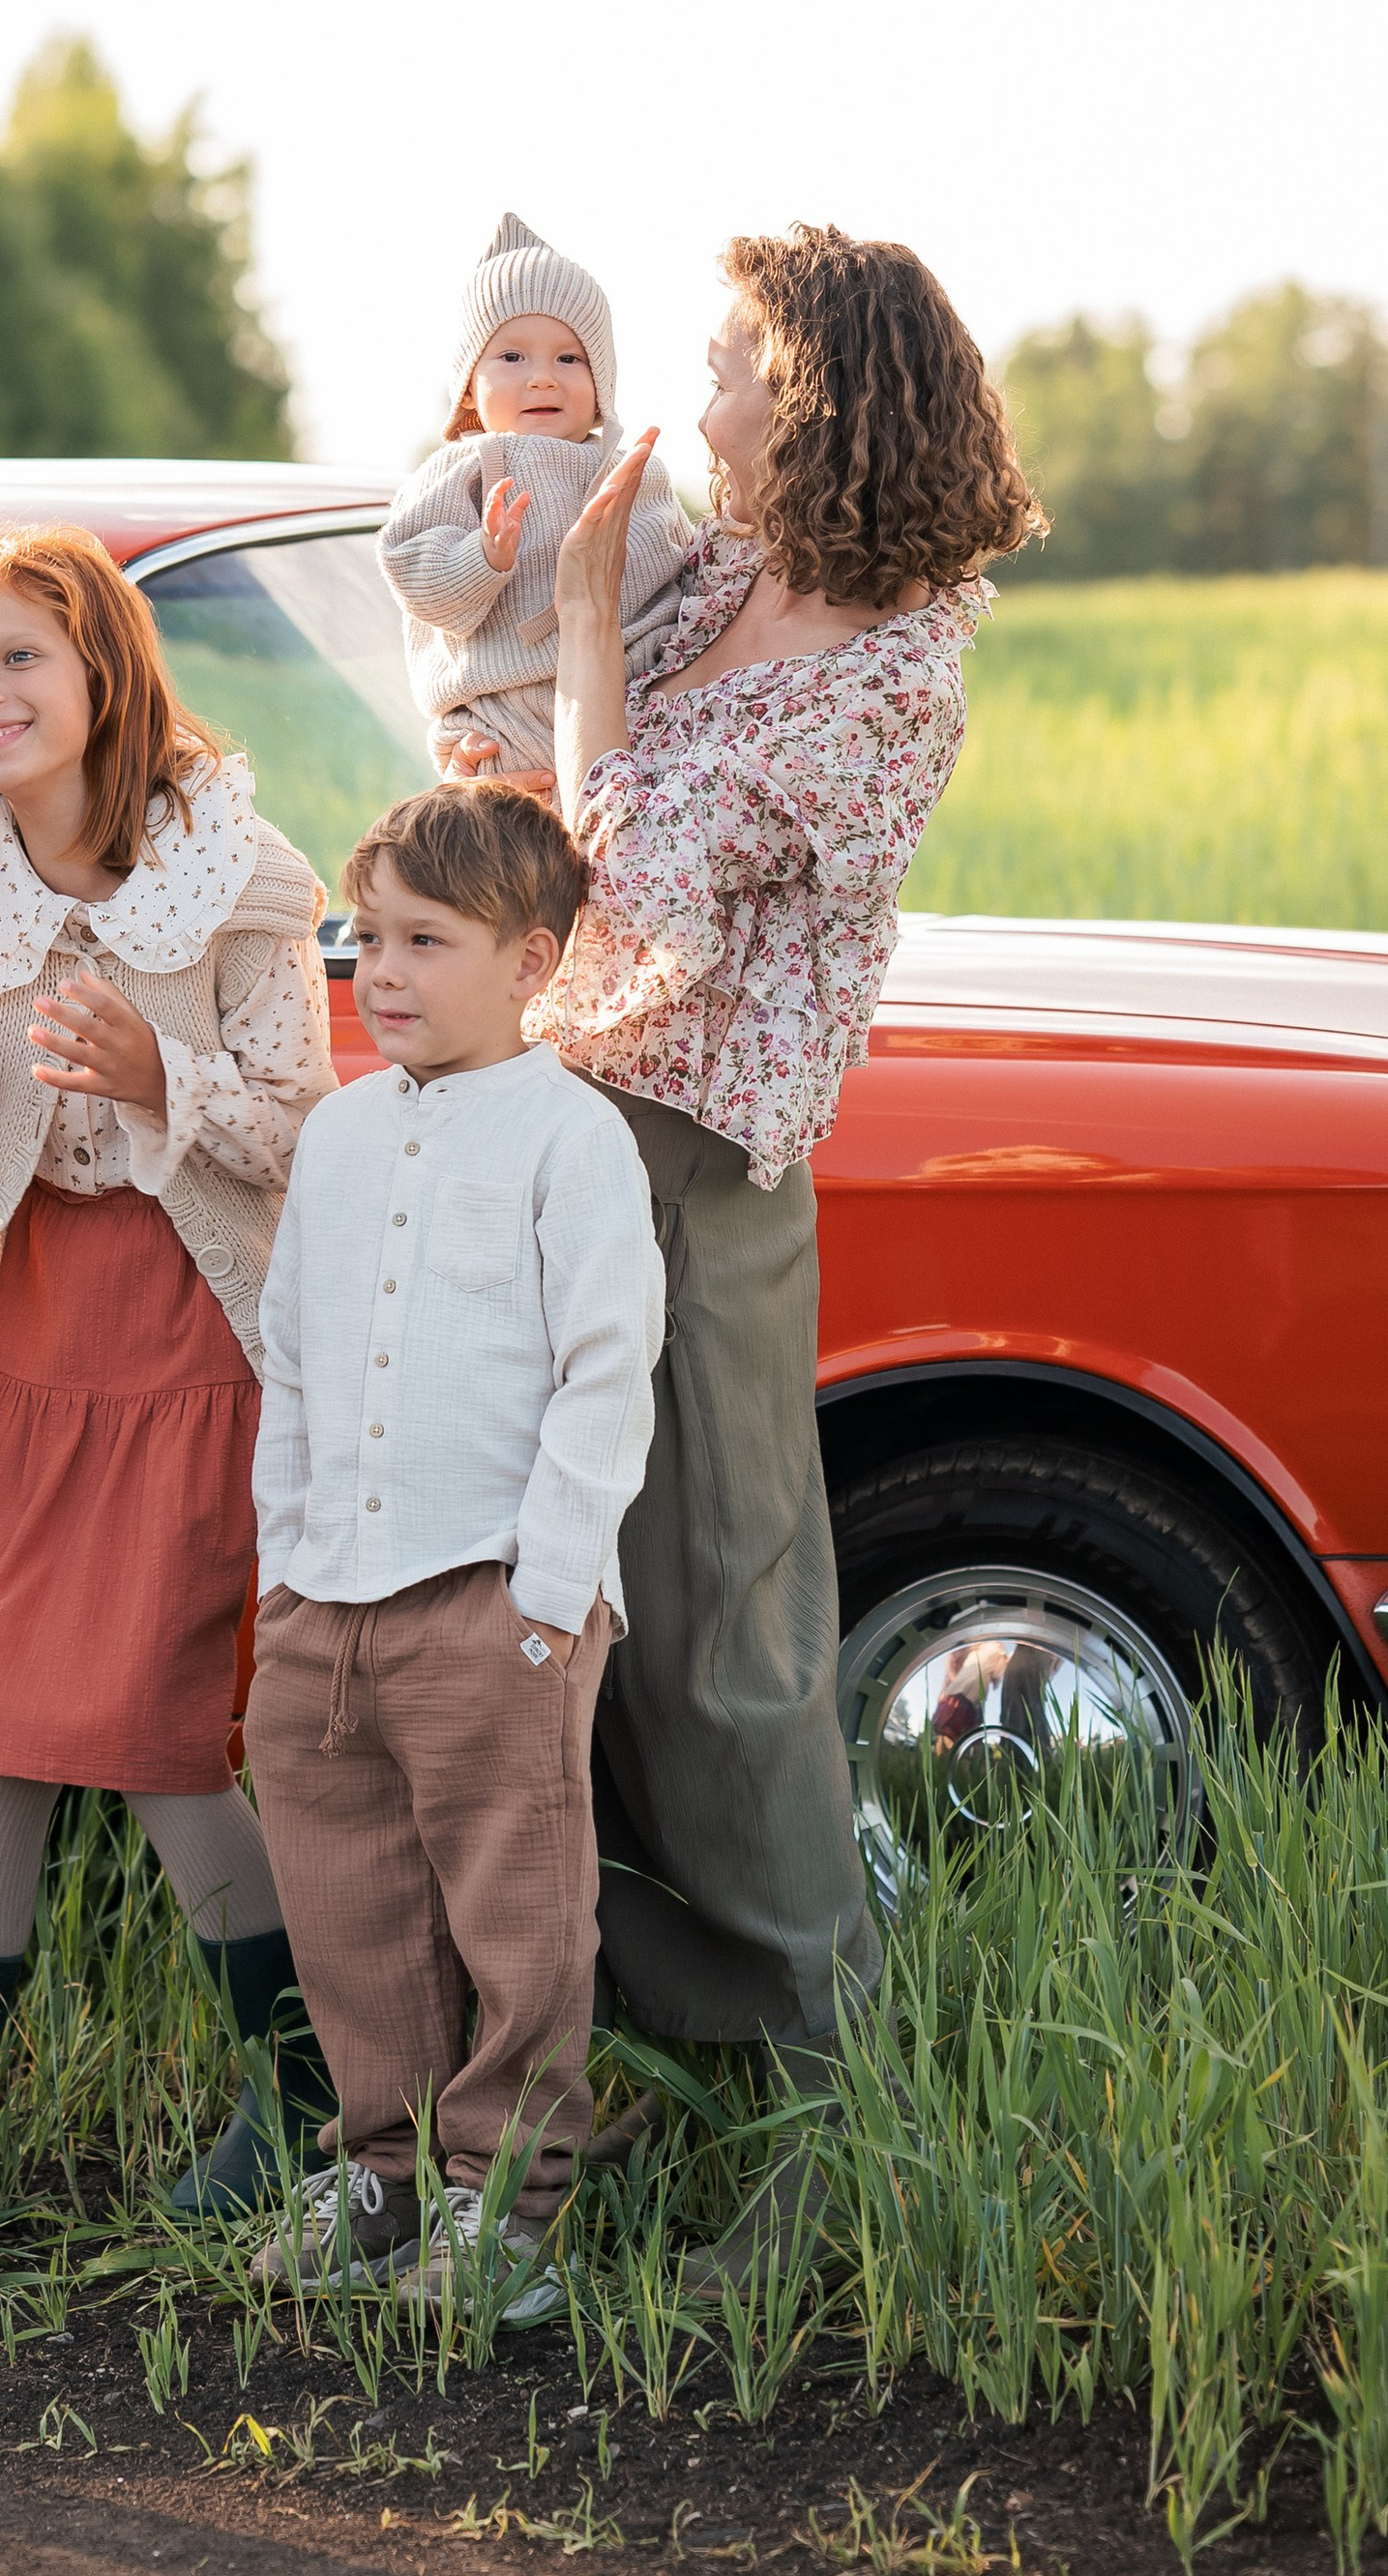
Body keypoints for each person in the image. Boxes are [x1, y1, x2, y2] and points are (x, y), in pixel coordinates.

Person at [524, 220, 1043, 2289]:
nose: (699, 391)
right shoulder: (733, 576)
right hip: (554, 1129)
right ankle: (642, 2062)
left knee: (724, 1627)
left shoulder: (898, 663)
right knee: (567, 1627)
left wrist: (573, 634)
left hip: (703, 1164)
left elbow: (610, 862)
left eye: (732, 362)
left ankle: (835, 2114)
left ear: (815, 393)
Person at [0, 525, 340, 2243]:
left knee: (160, 1732)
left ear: (105, 673)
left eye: (20, 655)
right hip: (28, 1334)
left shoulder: (244, 881)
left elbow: (301, 1125)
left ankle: (304, 2100)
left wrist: (154, 1066)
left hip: (186, 1332)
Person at [240, 784, 662, 2317]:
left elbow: (606, 1374)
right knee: (346, 1894)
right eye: (367, 937)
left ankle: (508, 2204)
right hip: (326, 1601)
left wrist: (547, 1596)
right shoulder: (342, 1135)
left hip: (495, 1600)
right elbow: (292, 1355)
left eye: (427, 937)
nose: (381, 969)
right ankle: (385, 2168)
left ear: (531, 958)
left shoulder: (574, 1138)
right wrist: (285, 1565)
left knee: (516, 1908)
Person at [377, 211, 690, 788]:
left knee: (608, 860)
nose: (543, 378)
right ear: (471, 384)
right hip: (502, 717)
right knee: (513, 864)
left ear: (602, 382)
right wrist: (484, 555)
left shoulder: (632, 471)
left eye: (569, 359)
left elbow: (674, 580)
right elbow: (412, 573)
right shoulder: (457, 470)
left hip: (621, 710)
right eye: (513, 357)